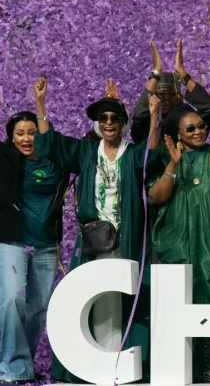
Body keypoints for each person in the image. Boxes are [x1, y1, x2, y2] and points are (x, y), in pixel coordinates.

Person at [34, 80, 161, 383]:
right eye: (102, 119)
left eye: (113, 118)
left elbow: (152, 157)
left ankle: (122, 363)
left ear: (122, 123)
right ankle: (97, 362)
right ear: (97, 124)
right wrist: (41, 103)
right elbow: (49, 143)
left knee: (126, 301)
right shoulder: (87, 153)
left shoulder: (131, 153)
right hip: (95, 242)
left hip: (126, 238)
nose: (107, 123)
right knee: (98, 302)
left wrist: (156, 117)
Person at [147, 105, 210, 382]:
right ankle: (182, 367)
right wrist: (173, 165)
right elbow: (156, 197)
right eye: (191, 128)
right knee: (178, 305)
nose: (200, 131)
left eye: (202, 126)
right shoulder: (166, 157)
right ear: (176, 133)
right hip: (177, 242)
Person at [0, 89, 69, 383]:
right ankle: (13, 368)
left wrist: (41, 104)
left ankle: (22, 367)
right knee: (12, 301)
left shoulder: (55, 162)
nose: (26, 138)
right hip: (13, 242)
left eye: (31, 132)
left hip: (46, 245)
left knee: (39, 307)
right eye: (19, 133)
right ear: (11, 138)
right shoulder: (5, 161)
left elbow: (50, 140)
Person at [132, 39, 210, 143]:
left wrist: (182, 73)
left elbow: (209, 109)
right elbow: (139, 116)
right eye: (158, 95)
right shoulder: (149, 120)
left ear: (179, 97)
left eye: (167, 95)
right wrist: (156, 72)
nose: (162, 99)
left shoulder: (187, 119)